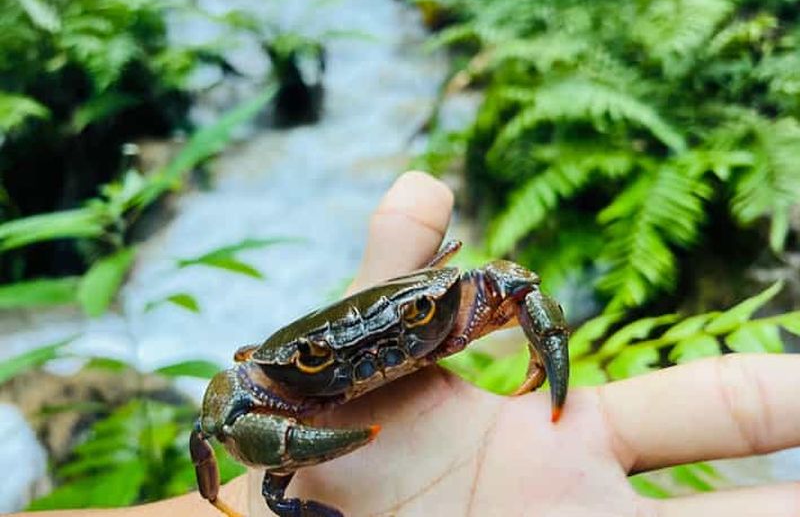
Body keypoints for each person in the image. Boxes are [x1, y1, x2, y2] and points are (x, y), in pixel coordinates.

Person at [23, 171, 800, 517]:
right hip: (313, 407)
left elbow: (517, 284)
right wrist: (222, 497)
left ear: (445, 295)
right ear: (292, 370)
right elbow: (221, 414)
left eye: (404, 331)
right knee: (241, 449)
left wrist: (542, 354)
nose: (373, 355)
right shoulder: (277, 384)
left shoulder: (458, 303)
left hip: (386, 340)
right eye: (330, 358)